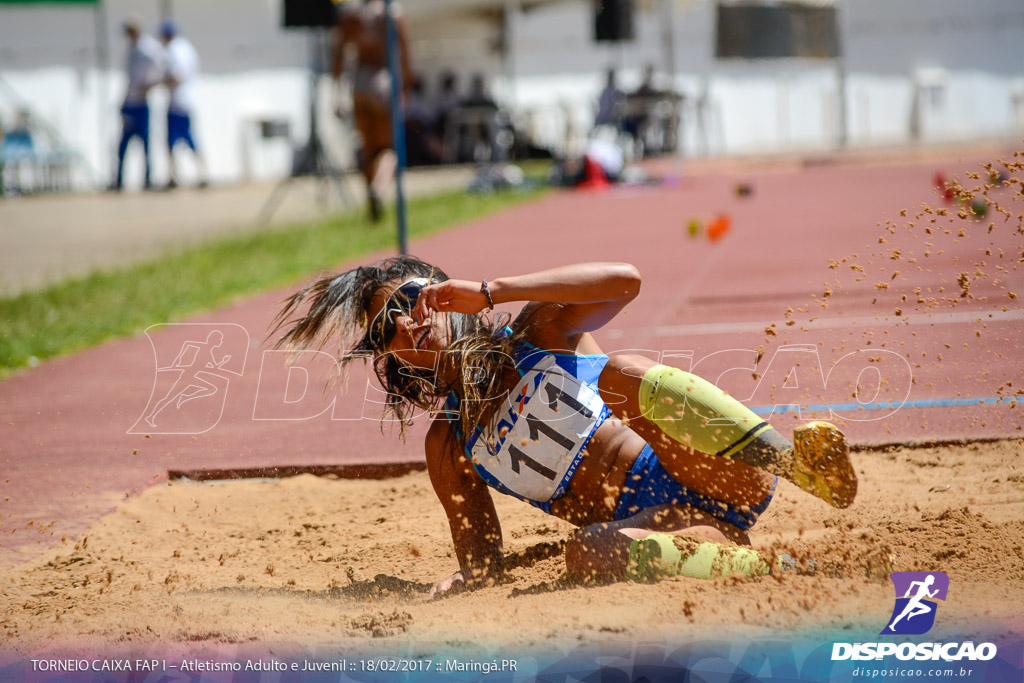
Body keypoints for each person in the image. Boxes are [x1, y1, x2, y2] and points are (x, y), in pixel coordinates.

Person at [273, 257, 858, 592]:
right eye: (384, 331)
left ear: (438, 288)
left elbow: (625, 281)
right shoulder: (449, 446)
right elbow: (481, 564)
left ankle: (797, 464)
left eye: (408, 299)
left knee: (620, 372)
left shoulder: (537, 332)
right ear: (391, 359)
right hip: (671, 526)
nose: (404, 326)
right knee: (588, 552)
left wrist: (490, 292)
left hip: (723, 471)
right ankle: (786, 562)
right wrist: (461, 581)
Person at [332, 0, 413, 222]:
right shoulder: (391, 12)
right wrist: (406, 85)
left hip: (359, 83)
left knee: (368, 147)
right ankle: (378, 188)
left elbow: (339, 53)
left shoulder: (351, 14)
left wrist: (336, 88)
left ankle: (371, 200)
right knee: (389, 147)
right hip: (382, 80)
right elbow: (404, 49)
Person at [113, 16, 164, 191]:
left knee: (145, 144)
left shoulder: (148, 48)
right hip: (129, 103)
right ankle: (118, 181)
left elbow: (164, 67)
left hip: (141, 104)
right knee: (122, 145)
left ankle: (148, 180)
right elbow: (128, 79)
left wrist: (151, 84)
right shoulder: (131, 50)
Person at [159, 20, 209, 189]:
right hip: (187, 101)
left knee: (174, 141)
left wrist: (162, 81)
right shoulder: (188, 48)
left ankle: (174, 177)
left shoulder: (174, 49)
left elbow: (177, 75)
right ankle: (202, 174)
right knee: (190, 139)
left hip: (177, 102)